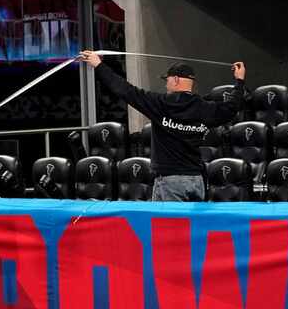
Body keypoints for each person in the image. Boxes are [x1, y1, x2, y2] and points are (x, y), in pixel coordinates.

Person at [80, 50, 246, 201]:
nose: (166, 84)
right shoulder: (204, 107)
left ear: (175, 80)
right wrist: (239, 82)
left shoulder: (160, 104)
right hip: (197, 180)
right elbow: (231, 108)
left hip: (170, 182)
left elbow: (125, 90)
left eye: (167, 80)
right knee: (190, 231)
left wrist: (99, 65)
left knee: (169, 231)